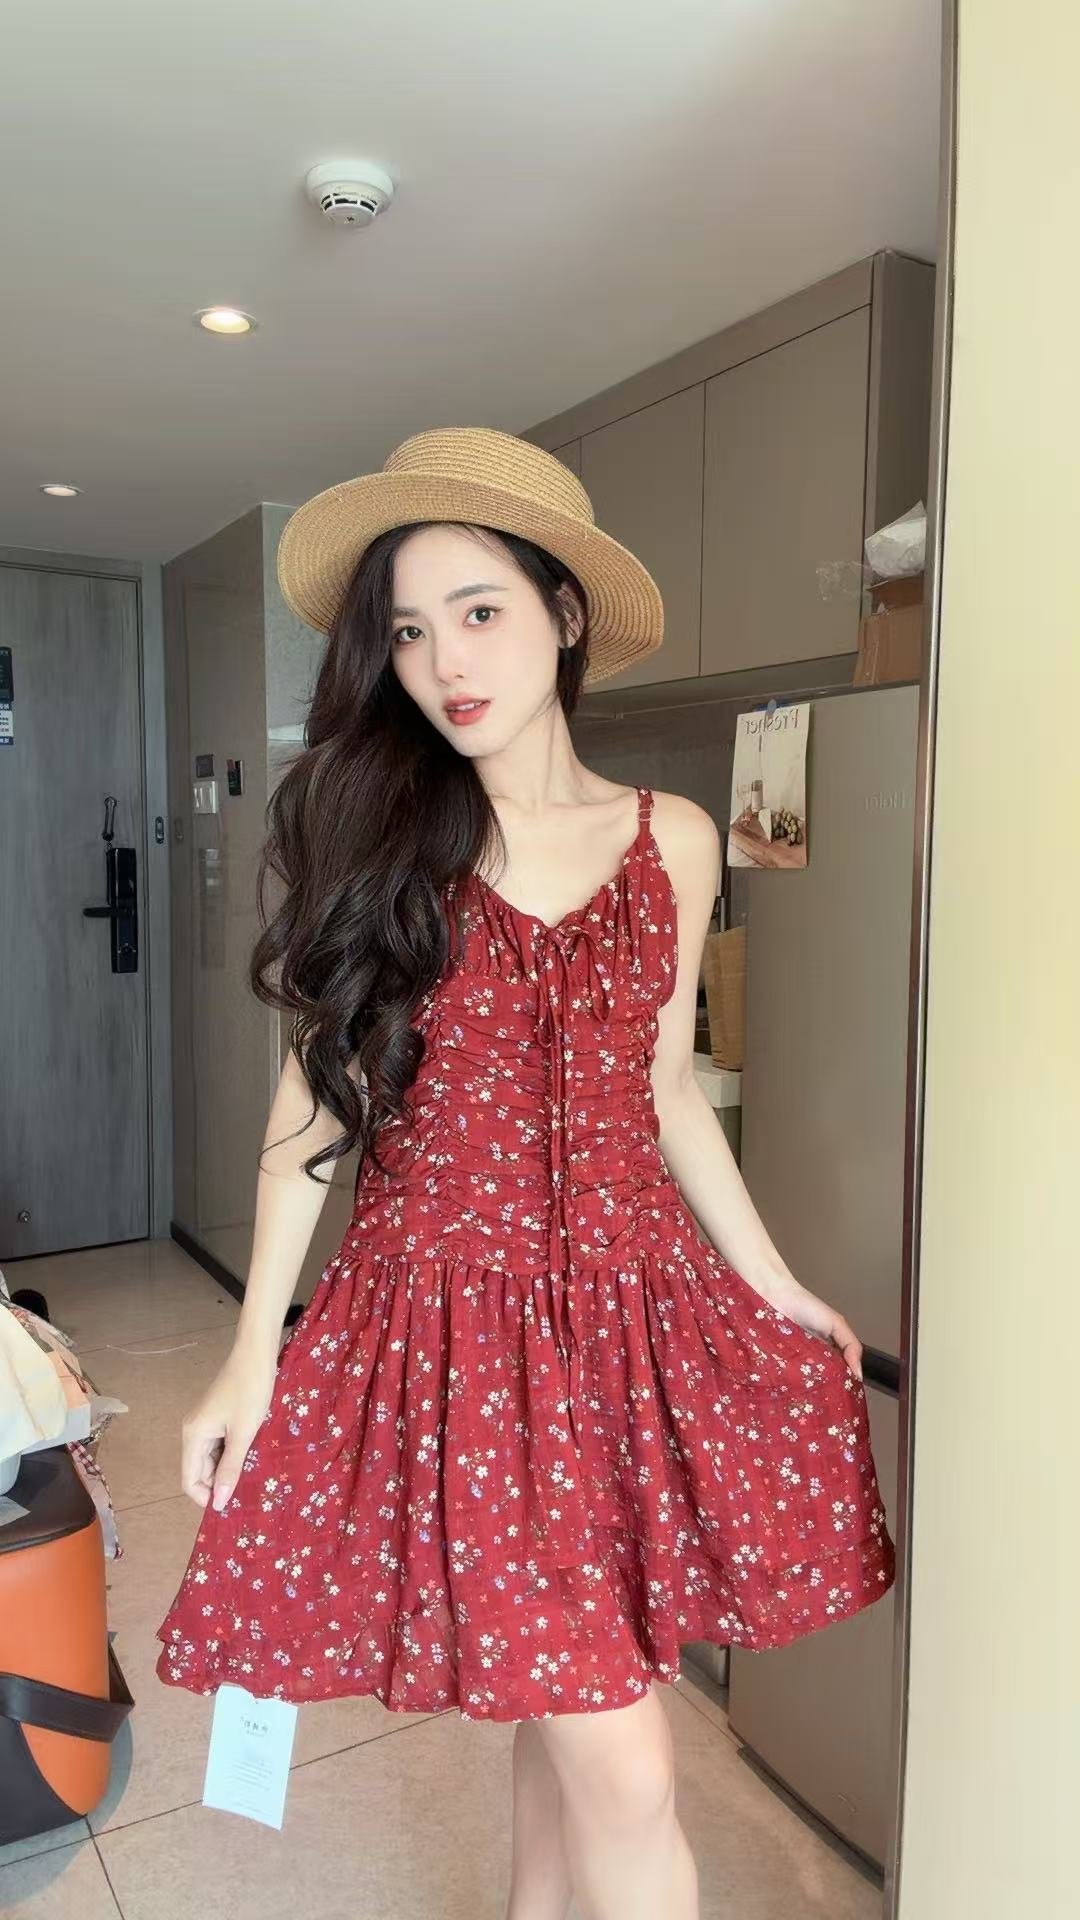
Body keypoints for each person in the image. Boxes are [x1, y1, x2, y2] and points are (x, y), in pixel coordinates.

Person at [154, 427, 895, 1919]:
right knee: (626, 1764)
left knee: (566, 1697)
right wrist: (252, 1355)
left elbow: (663, 1089)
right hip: (451, 1337)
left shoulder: (674, 839)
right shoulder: (381, 840)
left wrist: (773, 1282)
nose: (445, 663)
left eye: (479, 611)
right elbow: (313, 1112)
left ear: (564, 614)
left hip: (631, 1321)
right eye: (409, 632)